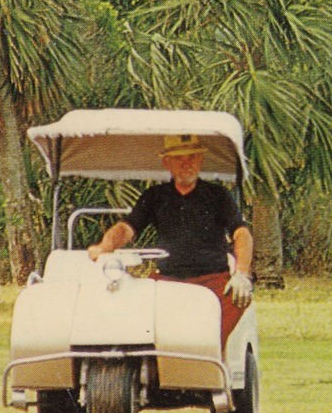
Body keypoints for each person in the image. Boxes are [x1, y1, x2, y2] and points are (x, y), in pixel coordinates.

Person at [88, 134, 255, 344]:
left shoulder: (218, 195)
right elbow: (127, 228)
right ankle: (148, 363)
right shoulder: (155, 195)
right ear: (166, 163)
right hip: (167, 281)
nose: (186, 163)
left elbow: (241, 233)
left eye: (192, 157)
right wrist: (105, 246)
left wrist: (241, 273)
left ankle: (209, 354)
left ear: (200, 160)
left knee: (238, 297)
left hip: (212, 281)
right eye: (178, 158)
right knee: (128, 302)